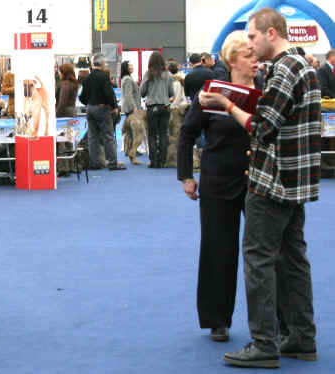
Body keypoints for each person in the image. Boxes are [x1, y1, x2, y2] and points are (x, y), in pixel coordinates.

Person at [199, 8, 321, 368]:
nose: (249, 44)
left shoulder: (284, 70)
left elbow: (261, 126)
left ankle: (264, 344)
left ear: (271, 33)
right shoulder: (304, 65)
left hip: (272, 181)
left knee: (258, 262)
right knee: (294, 261)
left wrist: (225, 103)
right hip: (297, 182)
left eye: (252, 37)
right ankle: (301, 337)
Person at [178, 31, 261, 343]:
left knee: (263, 256)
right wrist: (186, 176)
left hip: (258, 182)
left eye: (256, 54)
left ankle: (266, 325)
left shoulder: (265, 90)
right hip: (217, 181)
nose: (256, 60)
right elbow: (187, 134)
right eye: (249, 55)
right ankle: (217, 321)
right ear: (232, 61)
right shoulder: (210, 92)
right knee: (218, 250)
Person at [79, 54, 126, 170]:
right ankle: (112, 163)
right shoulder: (104, 77)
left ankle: (94, 163)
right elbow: (109, 93)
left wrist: (89, 103)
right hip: (102, 109)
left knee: (92, 137)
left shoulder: (87, 78)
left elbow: (81, 96)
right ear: (102, 64)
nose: (106, 65)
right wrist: (114, 106)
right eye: (105, 63)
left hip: (90, 109)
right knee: (108, 136)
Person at [140, 52, 174, 168]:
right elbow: (171, 93)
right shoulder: (168, 74)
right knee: (163, 134)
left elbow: (142, 92)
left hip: (152, 107)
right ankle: (162, 161)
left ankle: (153, 161)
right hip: (165, 107)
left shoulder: (148, 74)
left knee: (152, 135)